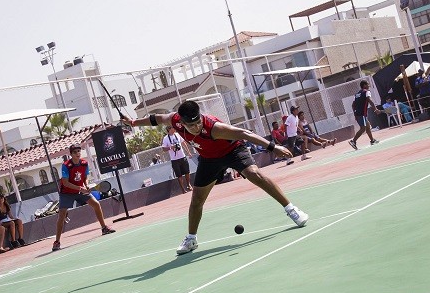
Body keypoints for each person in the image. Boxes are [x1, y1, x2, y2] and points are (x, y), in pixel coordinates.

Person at [122, 100, 309, 255]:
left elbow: (244, 133)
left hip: (232, 150)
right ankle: (191, 239)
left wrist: (273, 147)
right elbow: (156, 119)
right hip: (209, 159)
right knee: (196, 200)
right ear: (182, 122)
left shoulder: (214, 127)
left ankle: (292, 210)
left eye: (198, 123)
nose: (196, 127)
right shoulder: (174, 120)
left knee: (254, 174)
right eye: (191, 125)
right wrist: (133, 123)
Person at [52, 144, 115, 251]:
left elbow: (85, 177)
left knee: (96, 204)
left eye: (79, 151)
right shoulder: (66, 166)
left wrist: (86, 185)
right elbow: (65, 183)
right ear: (71, 154)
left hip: (80, 189)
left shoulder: (84, 163)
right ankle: (57, 242)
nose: (78, 153)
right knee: (62, 214)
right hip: (66, 192)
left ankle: (104, 228)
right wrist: (81, 189)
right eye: (75, 152)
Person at [348, 80, 381, 150]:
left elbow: (353, 105)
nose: (369, 86)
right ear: (364, 85)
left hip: (358, 113)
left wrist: (355, 114)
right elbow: (370, 100)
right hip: (362, 114)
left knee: (368, 126)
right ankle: (353, 141)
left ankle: (372, 140)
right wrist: (375, 109)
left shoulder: (356, 94)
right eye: (368, 84)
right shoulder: (367, 92)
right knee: (363, 128)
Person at [162, 125, 193, 193]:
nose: (175, 129)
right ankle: (182, 189)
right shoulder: (166, 138)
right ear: (169, 129)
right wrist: (171, 147)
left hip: (182, 157)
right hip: (174, 159)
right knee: (179, 175)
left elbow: (183, 143)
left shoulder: (177, 135)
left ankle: (188, 184)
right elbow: (163, 148)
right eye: (173, 128)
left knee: (187, 172)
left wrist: (188, 152)